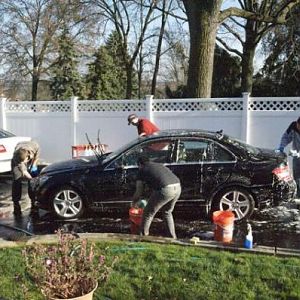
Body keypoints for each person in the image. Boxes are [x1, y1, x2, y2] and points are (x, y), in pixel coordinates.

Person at [132, 155, 181, 239]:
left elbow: (139, 190)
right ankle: (173, 237)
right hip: (177, 187)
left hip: (166, 189)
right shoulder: (158, 165)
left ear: (140, 164)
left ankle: (143, 237)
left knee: (148, 213)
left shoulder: (142, 170)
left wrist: (134, 202)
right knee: (167, 212)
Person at [11, 140, 40, 215]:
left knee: (32, 182)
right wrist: (32, 179)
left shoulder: (35, 146)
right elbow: (24, 171)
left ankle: (33, 200)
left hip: (31, 157)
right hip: (16, 162)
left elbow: (37, 156)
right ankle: (16, 203)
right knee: (17, 180)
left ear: (28, 156)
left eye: (25, 161)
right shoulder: (16, 157)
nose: (25, 163)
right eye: (23, 162)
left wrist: (33, 164)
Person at [277, 117, 300, 198]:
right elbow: (286, 137)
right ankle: (298, 196)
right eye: (298, 125)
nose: (299, 128)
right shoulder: (293, 126)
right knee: (297, 177)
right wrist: (281, 147)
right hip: (297, 157)